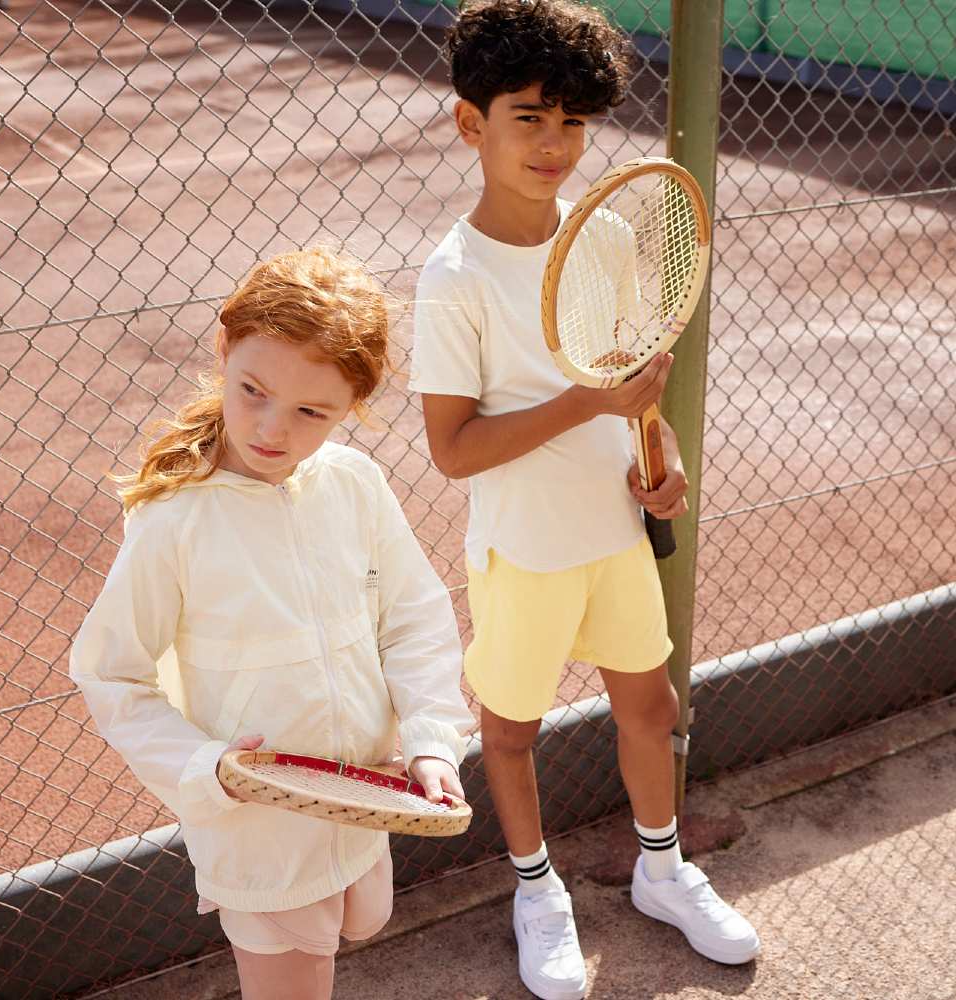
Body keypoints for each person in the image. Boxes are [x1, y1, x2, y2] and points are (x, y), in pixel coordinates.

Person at [409, 2, 760, 996]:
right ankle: (534, 889)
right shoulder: (454, 279)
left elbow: (634, 386)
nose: (555, 143)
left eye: (571, 121)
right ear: (469, 124)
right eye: (528, 118)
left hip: (611, 531)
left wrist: (665, 458)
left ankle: (661, 868)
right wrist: (582, 401)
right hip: (521, 549)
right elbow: (452, 448)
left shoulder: (605, 240)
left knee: (649, 705)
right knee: (511, 730)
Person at [70, 246, 474, 1000]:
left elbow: (413, 617)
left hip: (365, 795)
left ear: (352, 407)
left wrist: (430, 738)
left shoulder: (355, 485)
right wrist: (209, 771)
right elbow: (111, 674)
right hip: (259, 830)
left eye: (310, 412)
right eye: (252, 390)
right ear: (223, 350)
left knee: (365, 918)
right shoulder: (174, 521)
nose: (270, 429)